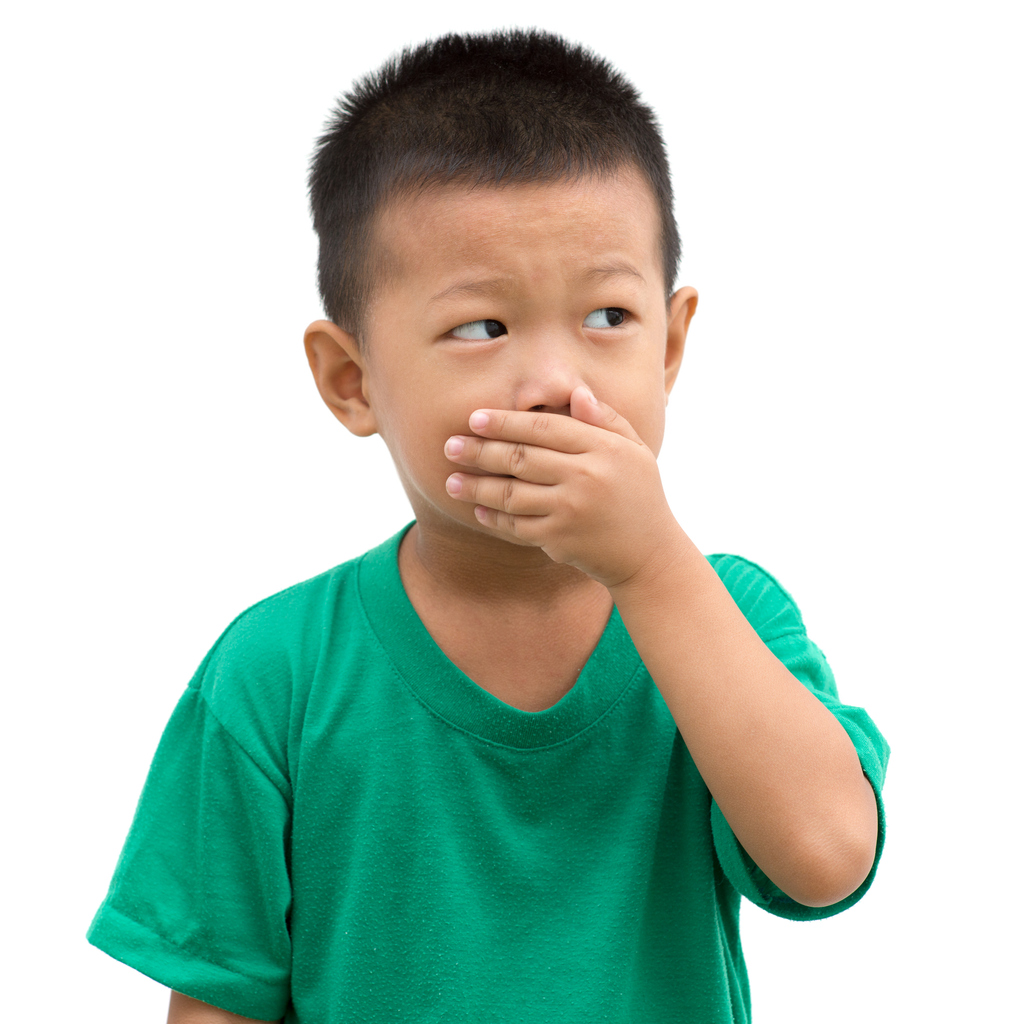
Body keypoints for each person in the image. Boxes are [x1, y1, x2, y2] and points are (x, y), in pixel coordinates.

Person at [87, 28, 889, 1024]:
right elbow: (218, 999)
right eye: (481, 327)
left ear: (673, 345)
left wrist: (650, 568)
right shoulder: (275, 672)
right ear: (352, 380)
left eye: (607, 317)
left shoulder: (728, 614)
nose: (557, 383)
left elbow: (824, 859)